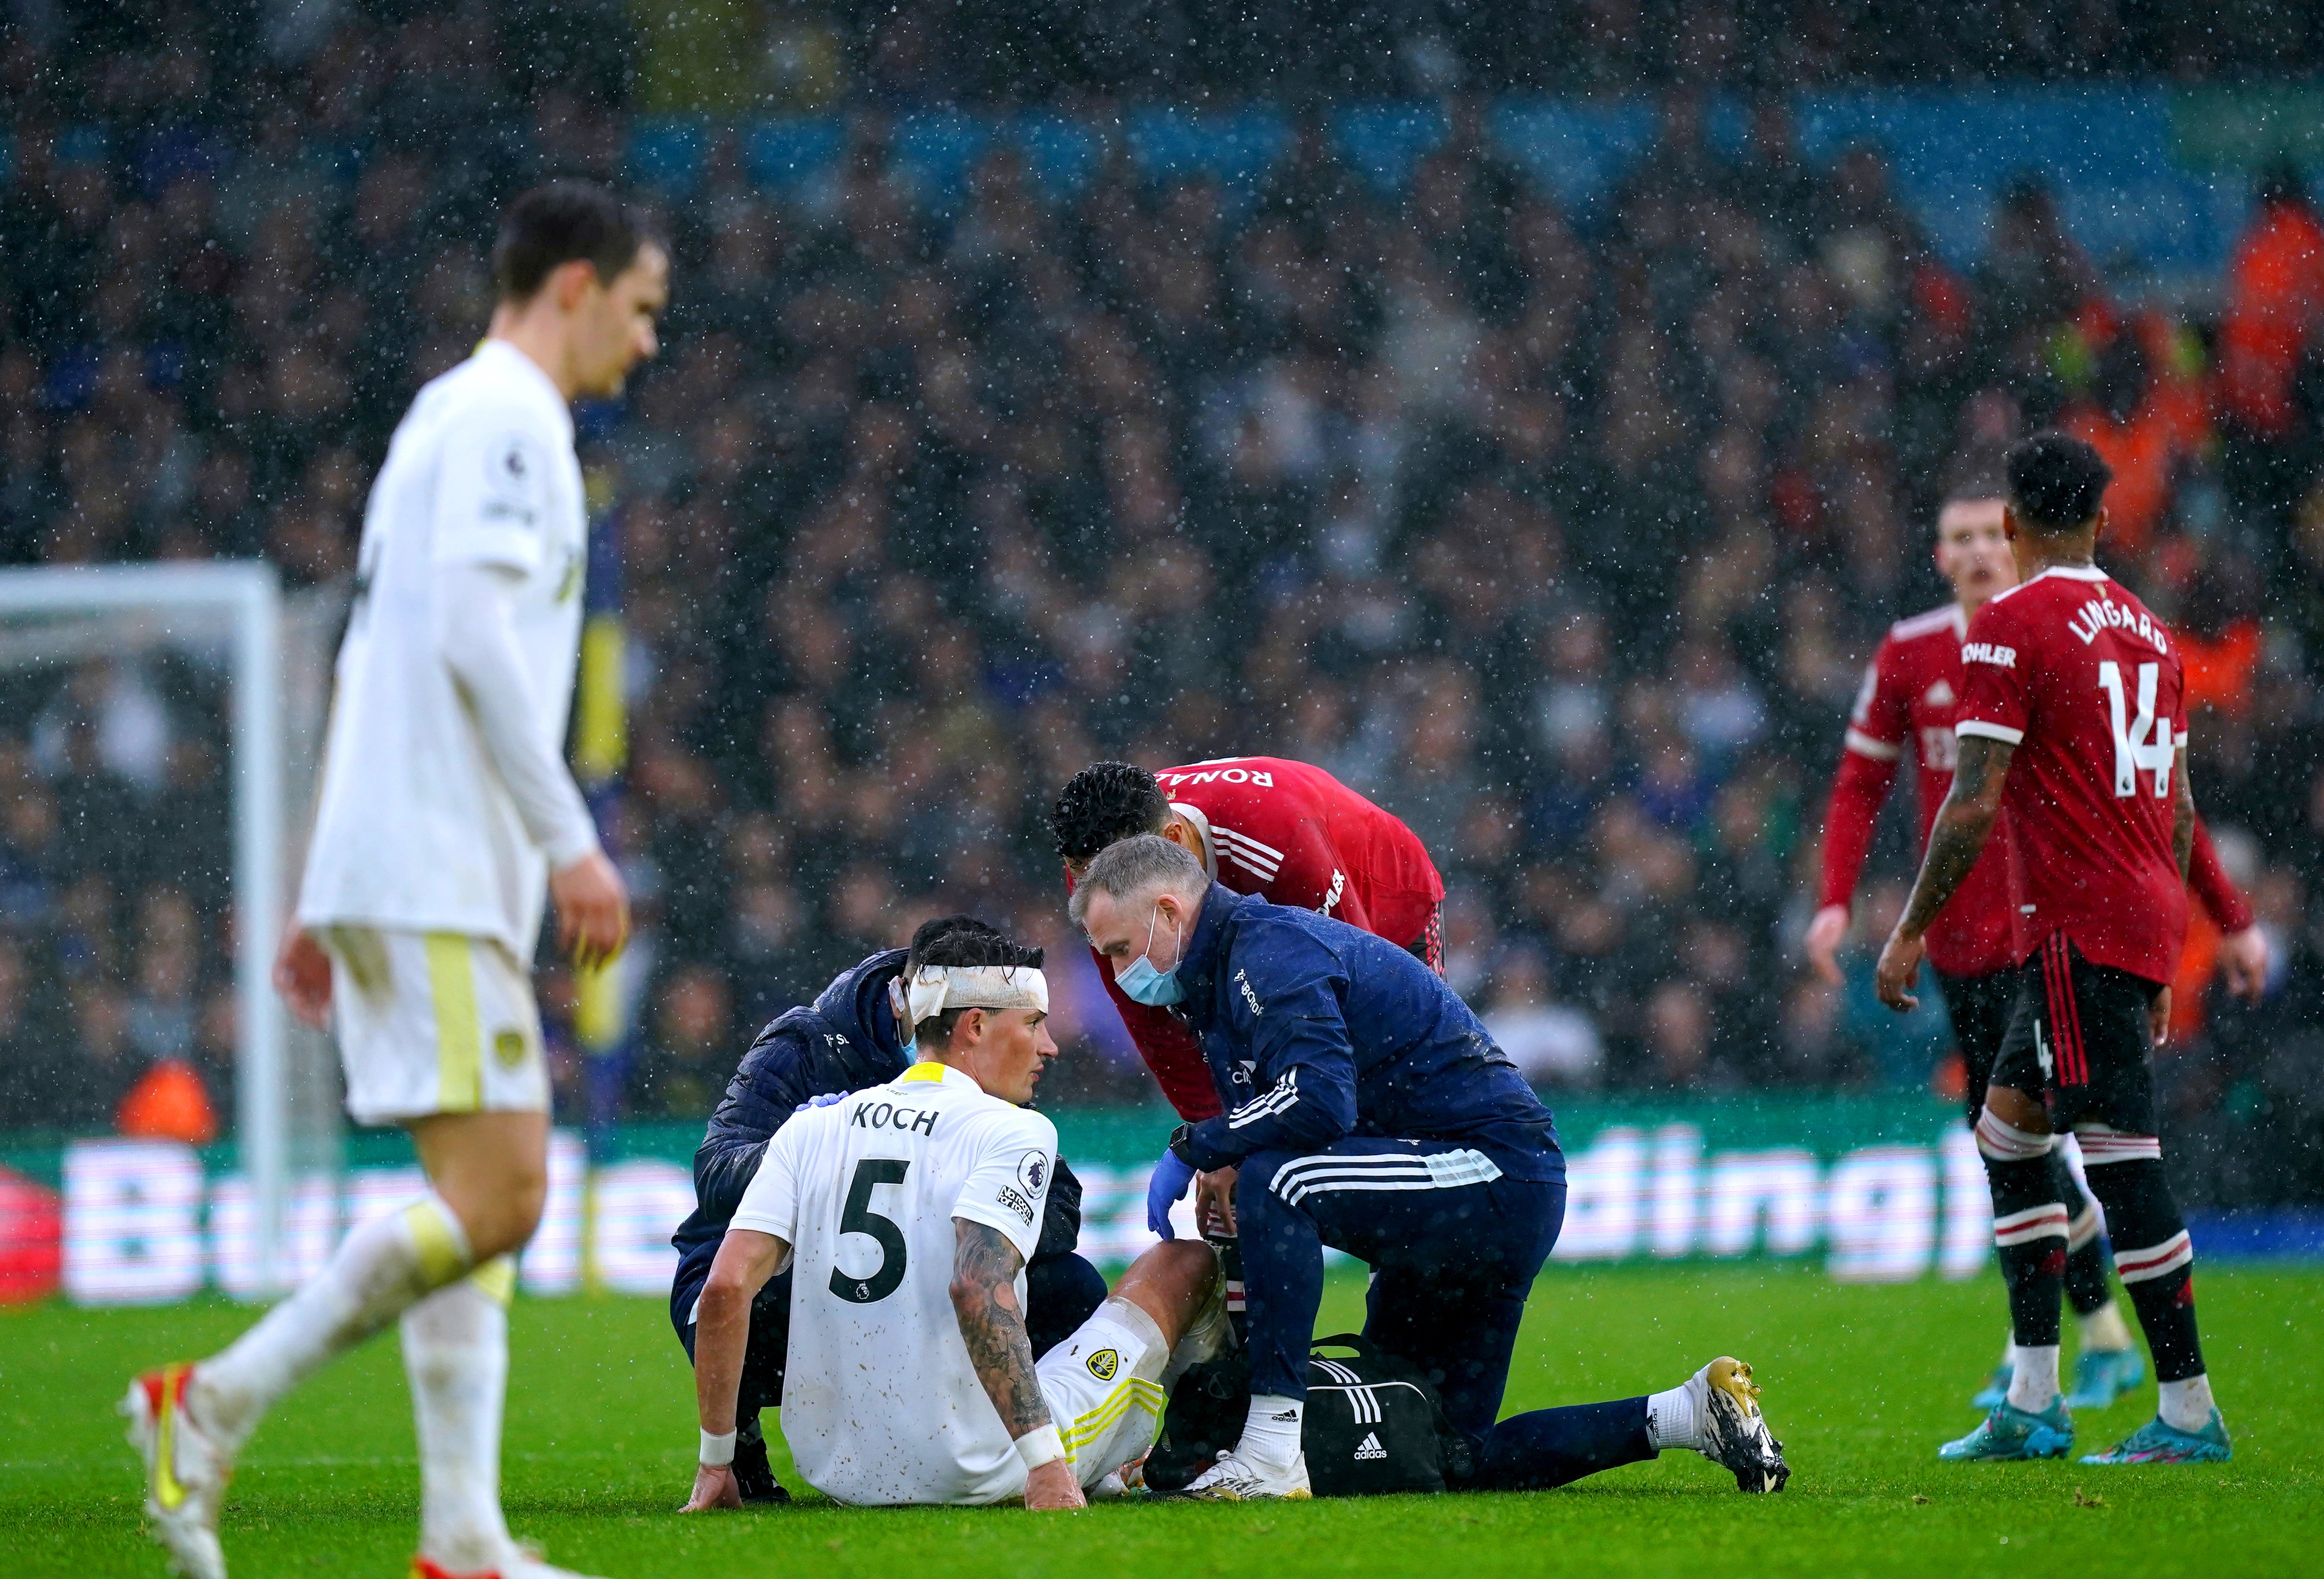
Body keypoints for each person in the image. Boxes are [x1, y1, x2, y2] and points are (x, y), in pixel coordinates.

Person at [122, 182, 667, 1579]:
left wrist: (314, 875)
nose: (648, 341)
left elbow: (379, 655)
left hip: (399, 857)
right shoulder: (505, 421)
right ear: (573, 288)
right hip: (437, 862)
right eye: (642, 307)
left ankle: (463, 1537)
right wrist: (570, 837)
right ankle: (213, 1401)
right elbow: (478, 646)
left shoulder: (442, 422)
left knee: (465, 1203)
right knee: (503, 1195)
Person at [1070, 835, 1789, 1498]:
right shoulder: (1222, 979)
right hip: (1452, 1198)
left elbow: (1319, 1101)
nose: (1115, 971)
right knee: (1443, 1448)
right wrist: (1222, 1146)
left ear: (1169, 912)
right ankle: (1687, 1412)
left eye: (1119, 947)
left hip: (1493, 1172)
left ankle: (1269, 1447)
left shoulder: (1266, 952)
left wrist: (1200, 1143)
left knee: (1279, 1184)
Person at [1808, 461, 2266, 1414]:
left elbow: (1976, 804)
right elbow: (2171, 803)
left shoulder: (2016, 632)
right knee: (2008, 1133)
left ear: (2011, 527)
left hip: (2055, 926)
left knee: (2109, 1153)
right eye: (1960, 538)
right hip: (2038, 936)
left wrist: (1898, 932)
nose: (1979, 550)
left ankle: (2179, 1398)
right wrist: (2177, 930)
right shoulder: (2140, 630)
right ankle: (2033, 1389)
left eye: (1990, 533)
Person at [679, 924, 1234, 1510]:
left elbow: (723, 1287)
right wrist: (1044, 1465)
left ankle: (1120, 1454)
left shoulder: (810, 1126)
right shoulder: (1012, 1128)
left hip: (839, 1474)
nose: (1049, 1045)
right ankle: (1199, 1447)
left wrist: (716, 1462)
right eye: (1033, 1022)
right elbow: (975, 1285)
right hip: (985, 1467)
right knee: (1186, 1262)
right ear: (974, 1026)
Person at [1048, 758, 1444, 1235]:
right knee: (1242, 1171)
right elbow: (1156, 1028)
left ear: (1173, 840)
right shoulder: (1099, 873)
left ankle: (1410, 1262)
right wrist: (1219, 1145)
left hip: (1385, 906)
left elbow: (1356, 995)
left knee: (1400, 1105)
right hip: (1248, 914)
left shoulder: (1278, 843)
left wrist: (1262, 1129)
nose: (1101, 891)